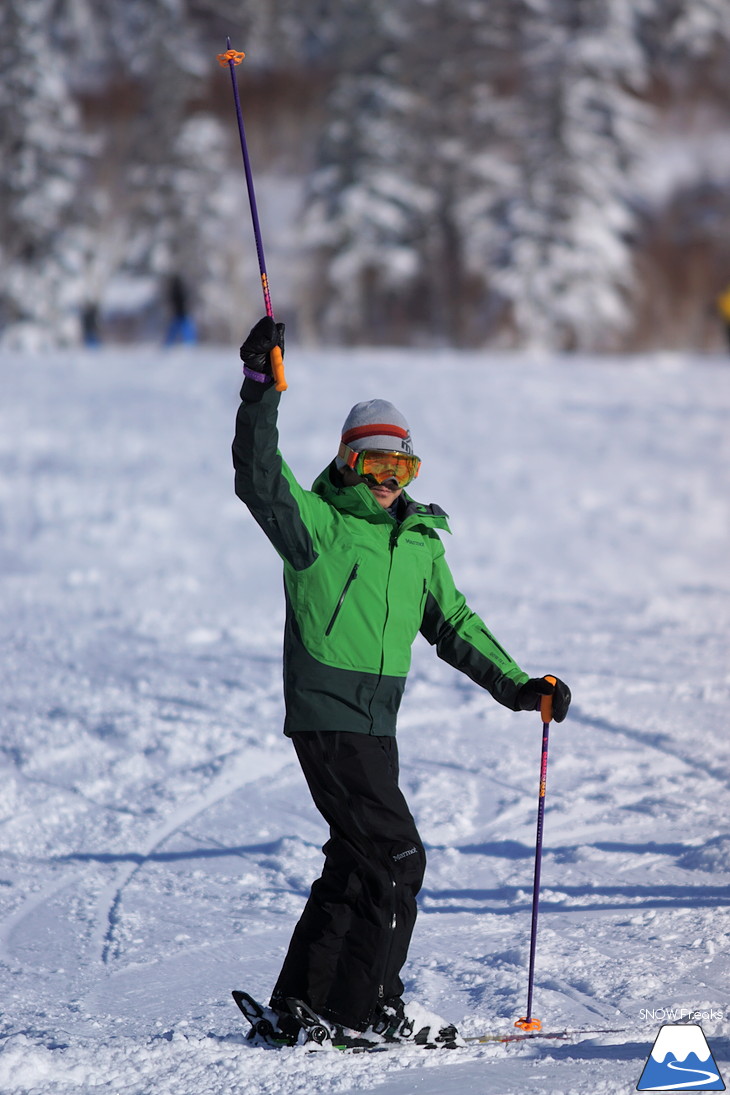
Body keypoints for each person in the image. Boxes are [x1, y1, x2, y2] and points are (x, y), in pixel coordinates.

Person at [232, 316, 571, 1047]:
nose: (389, 481)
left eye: (403, 468)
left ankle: (302, 998)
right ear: (350, 463)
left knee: (358, 856)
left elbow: (455, 623)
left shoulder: (417, 542)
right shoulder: (317, 526)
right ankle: (367, 1004)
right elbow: (259, 477)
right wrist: (261, 387)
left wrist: (519, 685)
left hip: (375, 724)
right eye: (376, 465)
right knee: (397, 854)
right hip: (328, 713)